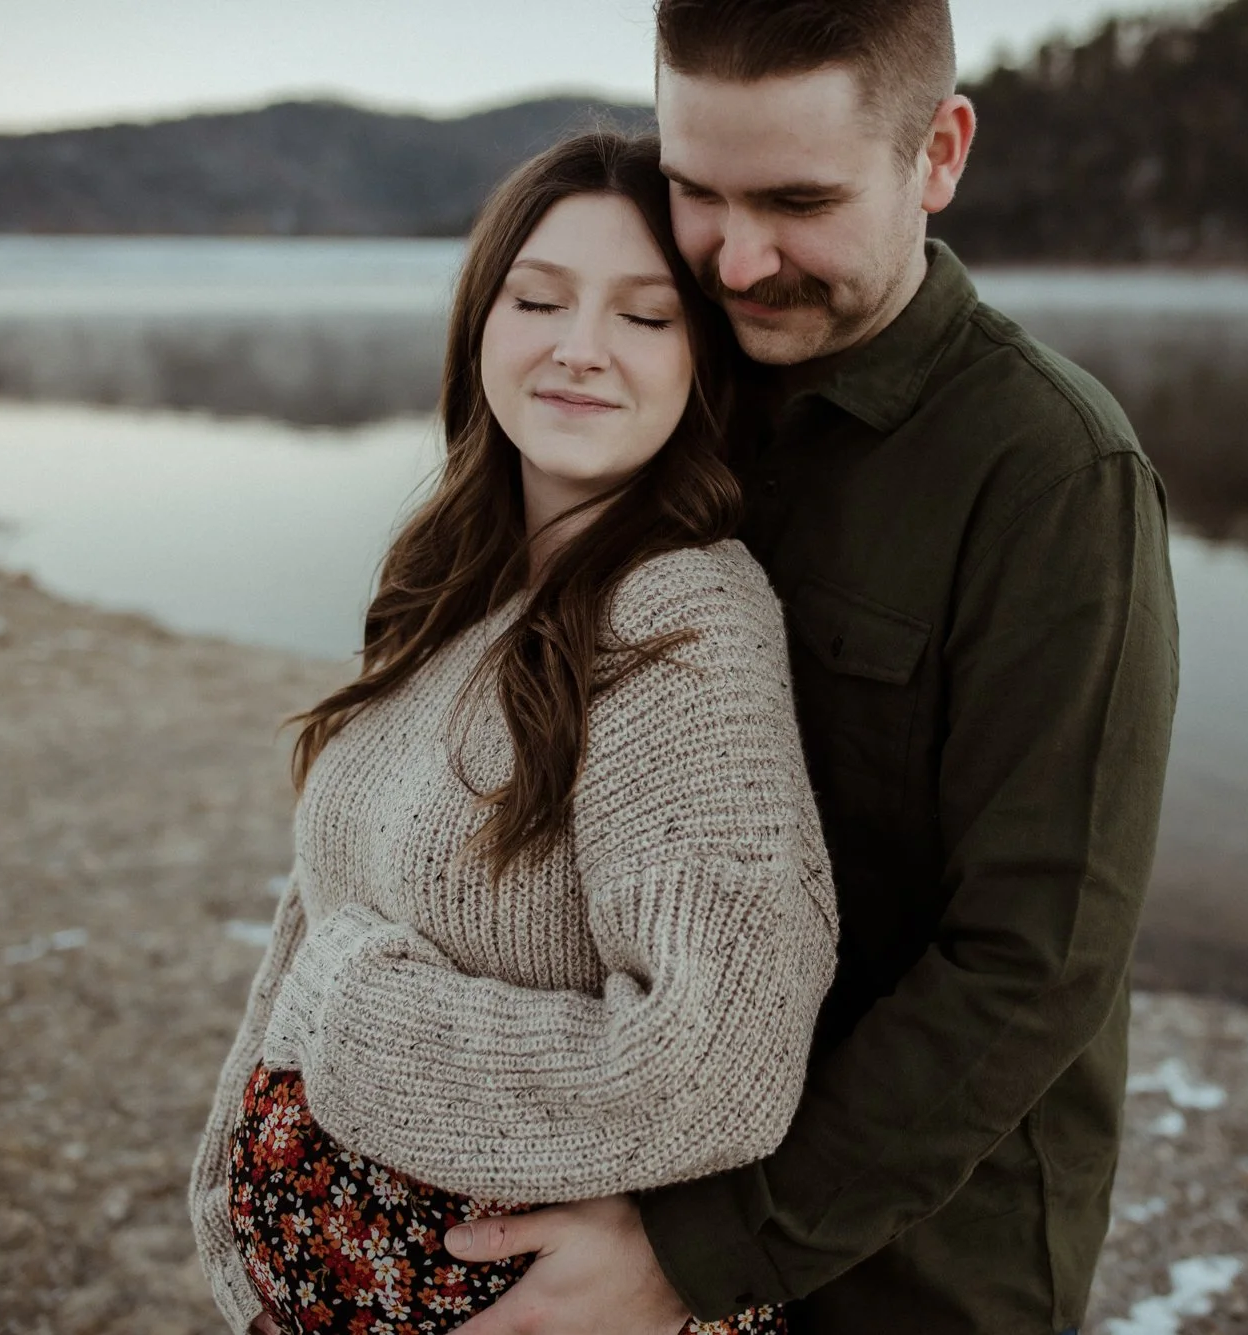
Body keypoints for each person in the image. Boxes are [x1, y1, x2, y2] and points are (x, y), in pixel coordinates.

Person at [436, 3, 1182, 1334]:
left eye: (797, 199)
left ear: (938, 153)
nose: (740, 256)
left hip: (908, 1269)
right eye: (696, 191)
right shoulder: (662, 372)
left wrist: (702, 1246)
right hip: (612, 1206)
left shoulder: (1052, 473)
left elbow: (1036, 953)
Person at [185, 130, 839, 1335]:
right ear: (480, 321)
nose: (578, 349)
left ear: (701, 363)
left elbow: (721, 1060)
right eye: (538, 298)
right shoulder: (458, 586)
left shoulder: (683, 615)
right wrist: (235, 1236)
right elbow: (315, 920)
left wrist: (354, 1023)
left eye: (644, 318)